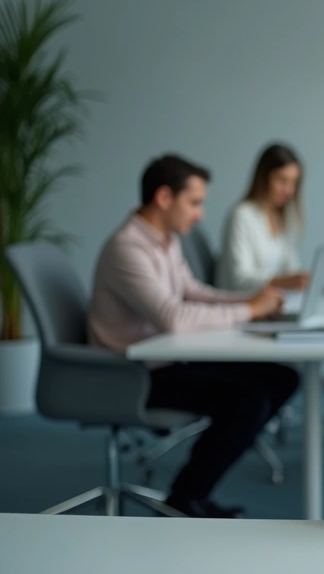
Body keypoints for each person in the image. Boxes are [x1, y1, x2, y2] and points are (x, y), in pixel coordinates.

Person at [88, 154, 300, 518]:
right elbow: (174, 317)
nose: (200, 214)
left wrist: (256, 301)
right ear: (164, 198)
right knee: (247, 401)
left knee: (281, 377)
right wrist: (250, 310)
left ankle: (198, 482)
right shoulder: (128, 248)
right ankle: (184, 498)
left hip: (166, 355)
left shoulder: (165, 240)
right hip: (134, 373)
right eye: (195, 202)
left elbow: (196, 292)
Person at [217, 143, 310, 292]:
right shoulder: (242, 215)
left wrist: (300, 279)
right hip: (242, 304)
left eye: (294, 183)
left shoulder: (281, 218)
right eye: (282, 181)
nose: (289, 190)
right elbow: (239, 278)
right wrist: (284, 281)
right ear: (264, 177)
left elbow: (291, 266)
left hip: (271, 303)